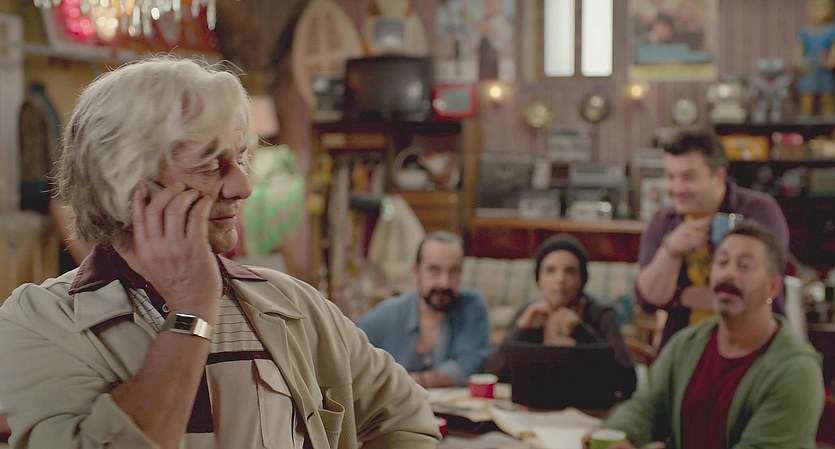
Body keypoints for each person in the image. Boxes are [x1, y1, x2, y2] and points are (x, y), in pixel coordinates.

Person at [0, 56, 440, 449]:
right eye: (211, 165)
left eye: (240, 160)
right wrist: (191, 309)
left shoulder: (293, 305)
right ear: (126, 181)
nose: (242, 187)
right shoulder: (41, 321)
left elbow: (406, 419)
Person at [586, 221, 824, 449]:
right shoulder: (687, 344)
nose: (728, 274)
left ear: (772, 287)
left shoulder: (795, 371)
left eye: (744, 266)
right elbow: (644, 410)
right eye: (722, 262)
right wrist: (613, 435)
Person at [635, 130, 789, 351]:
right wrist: (671, 250)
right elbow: (647, 300)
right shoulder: (663, 222)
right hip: (685, 347)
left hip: (756, 348)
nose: (677, 188)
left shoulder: (759, 211)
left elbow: (760, 290)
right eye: (671, 177)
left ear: (718, 176)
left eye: (688, 177)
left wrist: (679, 295)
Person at [484, 235, 636, 399]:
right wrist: (520, 329)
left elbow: (627, 380)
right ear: (539, 279)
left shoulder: (603, 314)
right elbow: (492, 373)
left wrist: (580, 332)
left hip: (588, 405)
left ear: (582, 279)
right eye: (550, 271)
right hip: (535, 404)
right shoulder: (529, 313)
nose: (560, 279)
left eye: (570, 271)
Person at [358, 231, 491, 388]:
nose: (444, 282)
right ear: (415, 271)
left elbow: (469, 366)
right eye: (434, 270)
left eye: (453, 271)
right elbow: (351, 353)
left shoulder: (471, 307)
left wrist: (409, 382)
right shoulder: (387, 316)